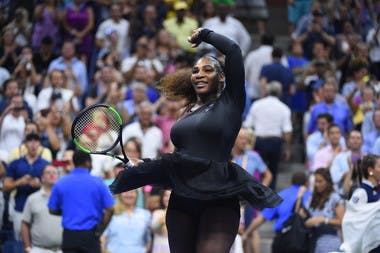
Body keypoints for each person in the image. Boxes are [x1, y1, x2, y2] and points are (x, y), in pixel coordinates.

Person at [110, 28, 281, 253]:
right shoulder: (188, 110)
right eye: (195, 71)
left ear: (221, 77)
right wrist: (146, 163)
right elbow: (180, 156)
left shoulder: (231, 102)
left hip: (219, 196)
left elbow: (234, 51)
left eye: (207, 69)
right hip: (182, 197)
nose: (199, 74)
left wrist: (205, 34)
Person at [48, 149, 115, 253]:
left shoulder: (61, 182)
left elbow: (52, 210)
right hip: (91, 236)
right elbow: (110, 209)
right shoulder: (98, 182)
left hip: (69, 237)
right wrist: (101, 229)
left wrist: (67, 211)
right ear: (87, 162)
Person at [241, 171, 311, 253]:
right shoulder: (311, 196)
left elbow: (261, 218)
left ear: (291, 182)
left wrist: (247, 233)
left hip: (282, 239)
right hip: (303, 240)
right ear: (306, 183)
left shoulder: (281, 195)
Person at [243, 81, 293, 189]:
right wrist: (287, 149)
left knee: (258, 168)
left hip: (259, 141)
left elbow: (247, 125)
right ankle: (270, 194)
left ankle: (256, 192)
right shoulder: (284, 108)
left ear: (267, 91)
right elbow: (287, 131)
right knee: (273, 171)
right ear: (280, 93)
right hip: (275, 142)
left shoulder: (257, 105)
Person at [3, 133, 50, 241]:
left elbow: (54, 186)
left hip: (41, 209)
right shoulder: (15, 163)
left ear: (40, 144)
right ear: (25, 144)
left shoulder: (46, 164)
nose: (33, 144)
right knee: (20, 242)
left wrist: (40, 184)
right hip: (20, 208)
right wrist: (19, 182)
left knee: (40, 241)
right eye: (30, 141)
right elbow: (6, 186)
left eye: (36, 141)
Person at [21, 165, 62, 253]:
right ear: (42, 178)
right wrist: (27, 247)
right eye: (48, 173)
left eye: (54, 173)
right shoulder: (32, 199)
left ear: (58, 177)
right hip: (39, 249)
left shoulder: (64, 199)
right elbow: (25, 224)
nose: (52, 175)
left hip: (61, 250)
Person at [304, 168, 344, 253]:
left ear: (328, 182)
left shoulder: (335, 198)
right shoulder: (312, 198)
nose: (317, 184)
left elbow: (342, 222)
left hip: (330, 244)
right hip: (313, 243)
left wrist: (323, 220)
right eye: (316, 181)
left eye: (320, 181)